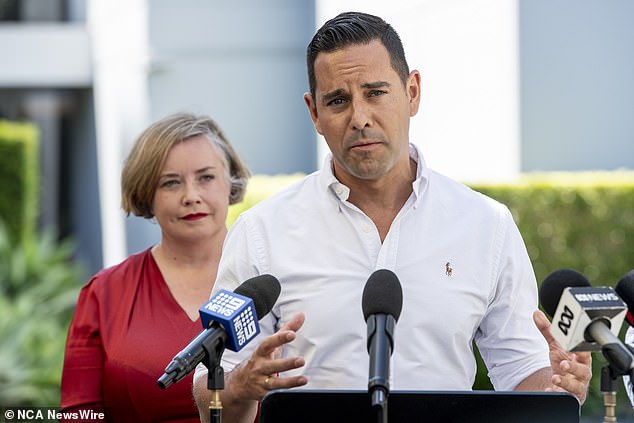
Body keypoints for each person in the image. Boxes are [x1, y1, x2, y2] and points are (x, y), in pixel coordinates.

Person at [192, 12, 592, 423]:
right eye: (338, 100)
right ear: (314, 112)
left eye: (376, 92)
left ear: (412, 92)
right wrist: (240, 384)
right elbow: (212, 393)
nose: (360, 117)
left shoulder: (486, 225)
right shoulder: (262, 232)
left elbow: (522, 373)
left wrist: (558, 386)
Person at [60, 112, 250, 422]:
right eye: (171, 183)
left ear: (231, 183)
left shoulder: (273, 280)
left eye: (206, 177)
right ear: (147, 194)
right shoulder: (104, 293)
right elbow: (78, 414)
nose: (191, 196)